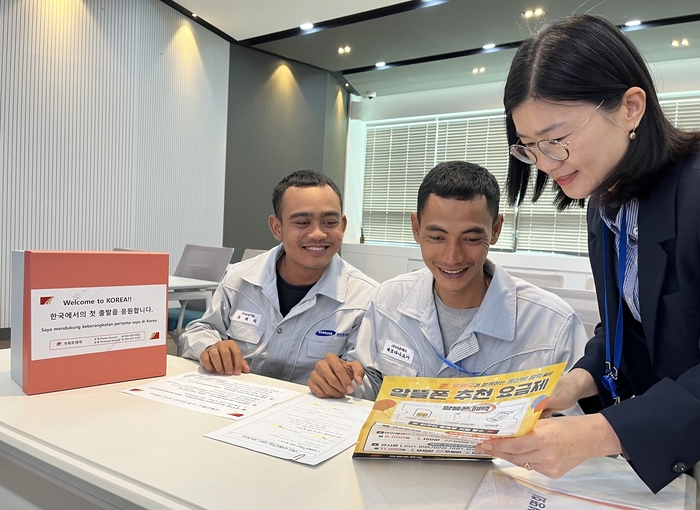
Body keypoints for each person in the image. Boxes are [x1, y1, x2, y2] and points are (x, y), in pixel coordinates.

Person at [476, 14, 700, 493]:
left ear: (631, 107)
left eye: (557, 140)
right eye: (530, 148)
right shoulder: (604, 203)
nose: (546, 164)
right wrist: (575, 382)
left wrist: (600, 432)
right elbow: (635, 329)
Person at [308, 161, 588, 402]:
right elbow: (370, 383)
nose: (452, 257)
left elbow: (575, 429)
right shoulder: (388, 301)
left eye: (471, 238)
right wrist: (341, 382)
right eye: (437, 237)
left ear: (496, 229)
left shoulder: (552, 324)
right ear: (416, 228)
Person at [180, 170, 378, 385]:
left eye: (330, 222)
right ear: (277, 228)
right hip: (236, 402)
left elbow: (369, 378)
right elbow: (201, 329)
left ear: (343, 226)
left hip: (309, 412)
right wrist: (210, 348)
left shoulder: (365, 298)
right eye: (302, 223)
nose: (318, 234)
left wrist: (346, 380)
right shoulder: (239, 279)